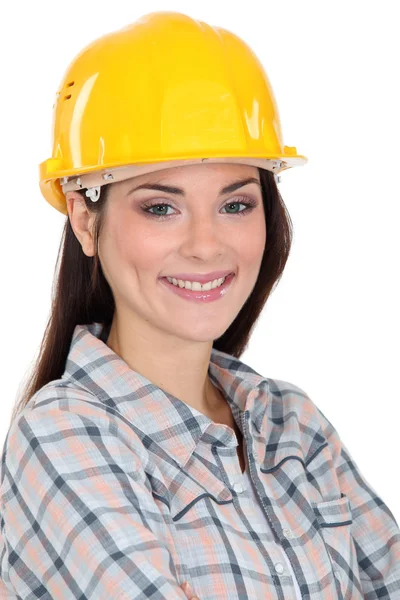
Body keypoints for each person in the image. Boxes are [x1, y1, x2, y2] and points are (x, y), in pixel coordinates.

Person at [0, 10, 399, 600]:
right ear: (86, 219)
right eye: (161, 207)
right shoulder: (64, 438)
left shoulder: (291, 425)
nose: (207, 246)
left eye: (236, 205)